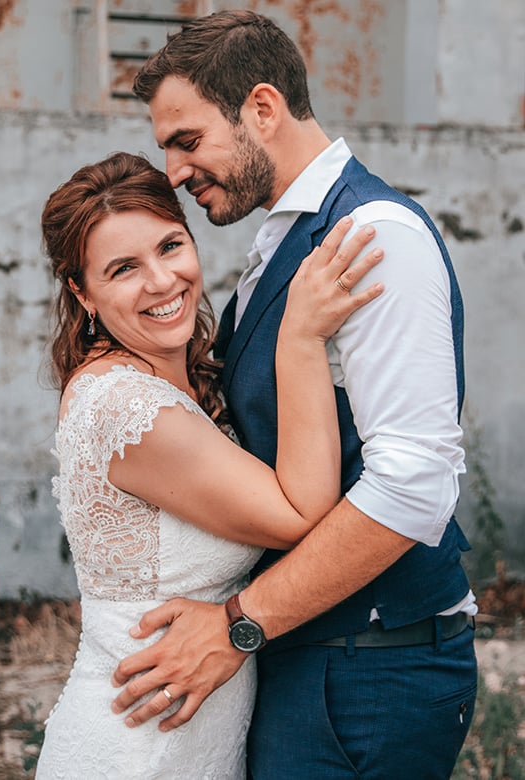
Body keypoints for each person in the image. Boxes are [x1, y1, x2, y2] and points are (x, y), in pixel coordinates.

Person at [110, 10, 479, 780]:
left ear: (263, 109)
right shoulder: (281, 239)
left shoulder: (373, 236)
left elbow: (414, 486)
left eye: (187, 140)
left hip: (368, 674)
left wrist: (237, 627)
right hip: (312, 658)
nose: (174, 171)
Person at [34, 150, 382, 778]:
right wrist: (299, 338)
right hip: (139, 746)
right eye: (123, 269)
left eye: (170, 247)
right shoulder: (127, 407)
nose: (162, 281)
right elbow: (301, 513)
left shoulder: (183, 378)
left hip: (198, 735)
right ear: (81, 293)